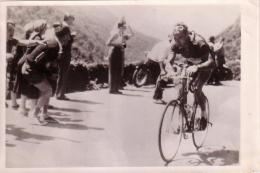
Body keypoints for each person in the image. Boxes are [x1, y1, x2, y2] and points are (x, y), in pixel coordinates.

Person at [153, 22, 215, 130]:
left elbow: (212, 63)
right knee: (181, 89)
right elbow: (169, 61)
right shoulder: (175, 42)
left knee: (196, 89)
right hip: (190, 64)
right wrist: (170, 71)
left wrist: (198, 67)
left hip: (204, 66)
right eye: (175, 38)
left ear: (187, 35)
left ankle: (204, 115)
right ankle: (182, 118)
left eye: (180, 38)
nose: (177, 41)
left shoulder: (200, 42)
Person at [20, 24, 63, 125]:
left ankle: (42, 114)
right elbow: (34, 60)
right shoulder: (48, 46)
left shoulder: (46, 44)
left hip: (30, 69)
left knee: (46, 90)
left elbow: (40, 62)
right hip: (30, 70)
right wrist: (47, 70)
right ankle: (35, 114)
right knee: (48, 91)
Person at [6, 20, 40, 111]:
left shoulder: (12, 40)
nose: (11, 33)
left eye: (13, 30)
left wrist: (38, 42)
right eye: (9, 30)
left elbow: (24, 42)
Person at [106, 17, 134, 94]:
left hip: (119, 52)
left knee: (118, 71)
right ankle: (112, 89)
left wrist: (130, 27)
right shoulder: (116, 34)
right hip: (114, 51)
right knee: (113, 71)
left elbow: (132, 35)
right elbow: (108, 43)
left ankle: (115, 89)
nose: (125, 28)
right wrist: (118, 45)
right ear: (120, 27)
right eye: (124, 27)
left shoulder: (122, 35)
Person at [55, 13, 75, 100]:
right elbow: (65, 40)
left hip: (61, 52)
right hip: (65, 52)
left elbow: (59, 37)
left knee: (61, 74)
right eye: (72, 19)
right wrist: (72, 37)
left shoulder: (60, 25)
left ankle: (58, 93)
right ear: (68, 18)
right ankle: (60, 94)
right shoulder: (66, 27)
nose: (73, 20)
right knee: (63, 73)